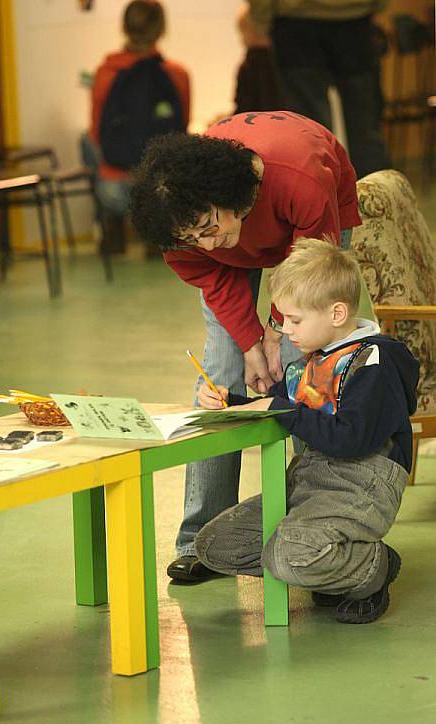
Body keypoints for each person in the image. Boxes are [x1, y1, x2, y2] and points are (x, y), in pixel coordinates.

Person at [130, 110, 374, 583]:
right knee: (221, 373)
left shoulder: (299, 179)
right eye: (191, 238)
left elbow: (308, 277)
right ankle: (200, 542)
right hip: (257, 223)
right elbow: (213, 275)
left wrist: (277, 331)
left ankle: (325, 538)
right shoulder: (182, 229)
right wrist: (248, 343)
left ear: (226, 195)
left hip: (309, 227)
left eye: (208, 225)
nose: (207, 242)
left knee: (301, 368)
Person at [195, 237, 419, 624]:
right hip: (310, 478)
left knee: (288, 557)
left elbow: (351, 439)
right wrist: (230, 402)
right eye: (283, 320)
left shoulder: (373, 362)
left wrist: (283, 409)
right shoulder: (310, 361)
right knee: (215, 545)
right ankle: (324, 562)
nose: (287, 332)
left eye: (295, 321)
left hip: (361, 481)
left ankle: (372, 566)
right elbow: (280, 403)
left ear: (336, 313)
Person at [83, 0, 190, 253]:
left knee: (85, 140)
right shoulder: (177, 74)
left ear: (124, 28)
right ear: (162, 29)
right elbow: (181, 128)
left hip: (114, 189)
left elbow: (97, 131)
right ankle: (157, 233)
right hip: (159, 190)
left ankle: (112, 228)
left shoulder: (105, 73)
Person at [248, 0, 391, 179]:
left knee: (310, 134)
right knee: (365, 128)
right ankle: (377, 202)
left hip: (296, 21)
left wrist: (260, 16)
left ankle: (318, 204)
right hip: (356, 17)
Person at [234, 3, 285, 113]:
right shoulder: (283, 61)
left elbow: (244, 106)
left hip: (256, 124)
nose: (241, 40)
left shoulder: (251, 64)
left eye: (242, 34)